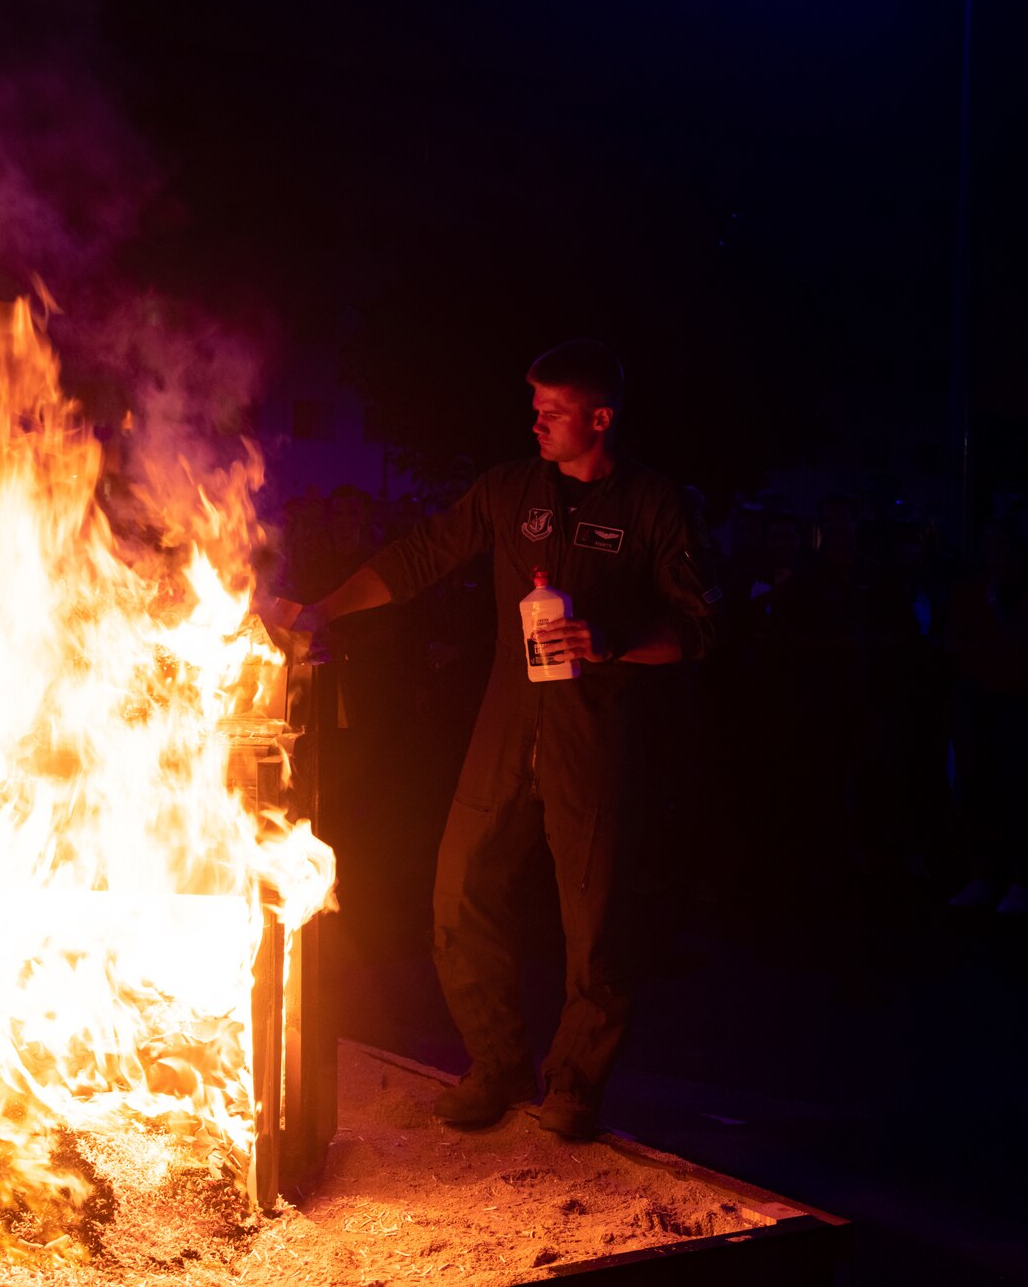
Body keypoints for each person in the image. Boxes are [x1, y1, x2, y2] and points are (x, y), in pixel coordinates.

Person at [265, 340, 719, 1139]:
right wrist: (322, 610)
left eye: (552, 410)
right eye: (534, 406)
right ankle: (498, 1061)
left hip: (595, 735)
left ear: (599, 418)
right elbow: (423, 555)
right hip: (507, 722)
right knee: (460, 889)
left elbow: (697, 627)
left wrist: (609, 641)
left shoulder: (653, 504)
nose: (534, 422)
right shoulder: (511, 490)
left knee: (596, 922)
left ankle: (574, 1084)